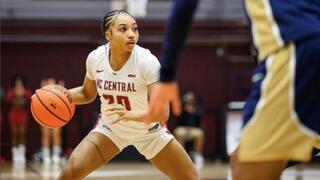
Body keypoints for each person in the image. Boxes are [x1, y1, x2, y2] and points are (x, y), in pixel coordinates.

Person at [144, 0, 320, 179]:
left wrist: (166, 76)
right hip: (301, 51)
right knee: (241, 158)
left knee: (242, 164)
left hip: (296, 51)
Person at [56, 10, 198, 179]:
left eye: (135, 29)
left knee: (191, 178)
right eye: (123, 29)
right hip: (111, 129)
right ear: (108, 35)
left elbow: (162, 113)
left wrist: (129, 115)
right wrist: (61, 95)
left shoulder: (147, 61)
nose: (131, 34)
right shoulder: (95, 58)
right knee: (69, 172)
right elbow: (87, 93)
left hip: (149, 132)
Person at [173, 91, 204, 169]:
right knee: (179, 133)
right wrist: (184, 110)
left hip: (194, 129)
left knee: (199, 134)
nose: (189, 100)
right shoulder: (181, 108)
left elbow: (200, 120)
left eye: (191, 99)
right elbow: (176, 119)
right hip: (182, 128)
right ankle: (181, 156)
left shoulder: (197, 108)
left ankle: (198, 155)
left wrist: (194, 112)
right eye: (188, 99)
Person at [5, 74, 32, 164]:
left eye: (20, 83)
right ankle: (15, 154)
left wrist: (23, 95)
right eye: (17, 83)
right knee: (14, 134)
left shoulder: (26, 92)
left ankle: (21, 153)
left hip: (23, 115)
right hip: (13, 114)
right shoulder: (11, 91)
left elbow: (30, 98)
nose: (18, 84)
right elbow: (7, 99)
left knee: (22, 134)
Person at [40, 78, 64, 165]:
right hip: (45, 116)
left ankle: (56, 155)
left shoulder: (58, 95)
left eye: (53, 84)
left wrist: (62, 93)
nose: (51, 86)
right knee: (45, 135)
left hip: (56, 117)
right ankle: (46, 155)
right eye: (49, 84)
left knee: (56, 135)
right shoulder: (43, 94)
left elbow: (63, 106)